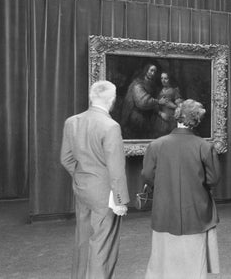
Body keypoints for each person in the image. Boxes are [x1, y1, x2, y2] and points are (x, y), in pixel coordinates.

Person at [142, 99, 221, 279]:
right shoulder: (204, 147)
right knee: (193, 258)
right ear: (196, 121)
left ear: (177, 116)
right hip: (196, 210)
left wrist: (163, 187)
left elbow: (147, 175)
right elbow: (213, 179)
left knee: (163, 258)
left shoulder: (156, 145)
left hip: (164, 210)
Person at [60, 80, 129, 279]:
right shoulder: (111, 126)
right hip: (105, 193)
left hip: (82, 188)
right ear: (113, 100)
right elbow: (116, 169)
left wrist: (84, 176)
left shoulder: (72, 121)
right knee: (103, 246)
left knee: (83, 240)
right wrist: (119, 200)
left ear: (91, 97)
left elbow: (65, 158)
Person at [120, 62, 168, 139]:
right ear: (146, 70)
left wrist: (160, 112)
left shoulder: (152, 84)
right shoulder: (137, 84)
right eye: (151, 70)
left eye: (155, 72)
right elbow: (142, 102)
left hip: (148, 116)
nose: (153, 73)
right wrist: (158, 101)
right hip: (137, 116)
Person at [154, 71, 183, 136]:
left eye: (165, 78)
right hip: (160, 119)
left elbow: (180, 107)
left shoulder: (174, 90)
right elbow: (154, 106)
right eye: (162, 78)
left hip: (171, 119)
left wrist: (173, 106)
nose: (163, 81)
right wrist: (161, 113)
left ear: (170, 79)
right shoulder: (158, 91)